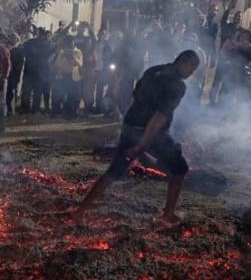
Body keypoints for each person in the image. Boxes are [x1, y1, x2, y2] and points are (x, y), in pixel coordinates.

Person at [72, 50, 201, 227]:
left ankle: (80, 212)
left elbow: (135, 94)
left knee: (114, 171)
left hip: (130, 124)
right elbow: (159, 117)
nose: (191, 73)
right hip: (150, 132)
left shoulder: (153, 70)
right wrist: (142, 145)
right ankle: (168, 215)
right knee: (180, 168)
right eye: (192, 69)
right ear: (186, 63)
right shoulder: (177, 85)